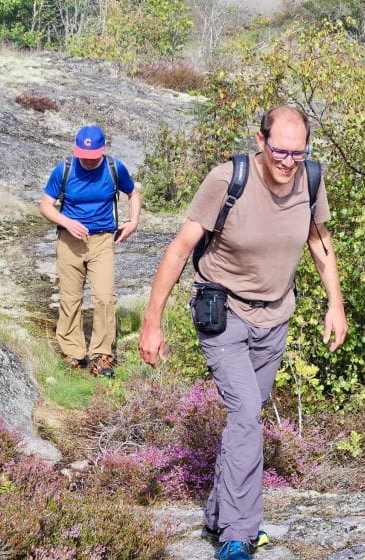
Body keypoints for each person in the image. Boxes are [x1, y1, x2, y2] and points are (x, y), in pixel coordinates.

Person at [138, 106, 347, 560]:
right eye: (279, 151)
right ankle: (238, 534)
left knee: (243, 422)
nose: (288, 161)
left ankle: (218, 516)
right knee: (248, 413)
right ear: (260, 140)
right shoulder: (226, 179)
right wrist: (152, 320)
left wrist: (336, 304)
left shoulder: (310, 179)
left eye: (297, 152)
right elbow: (178, 250)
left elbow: (320, 241)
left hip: (275, 316)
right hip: (224, 313)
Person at [39, 125, 141, 378]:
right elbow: (45, 206)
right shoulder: (63, 169)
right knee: (70, 298)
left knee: (104, 296)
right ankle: (73, 352)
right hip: (69, 242)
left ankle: (102, 354)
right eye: (82, 153)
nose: (86, 158)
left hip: (103, 241)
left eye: (92, 153)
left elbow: (133, 193)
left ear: (102, 150)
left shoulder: (114, 169)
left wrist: (134, 221)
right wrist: (66, 222)